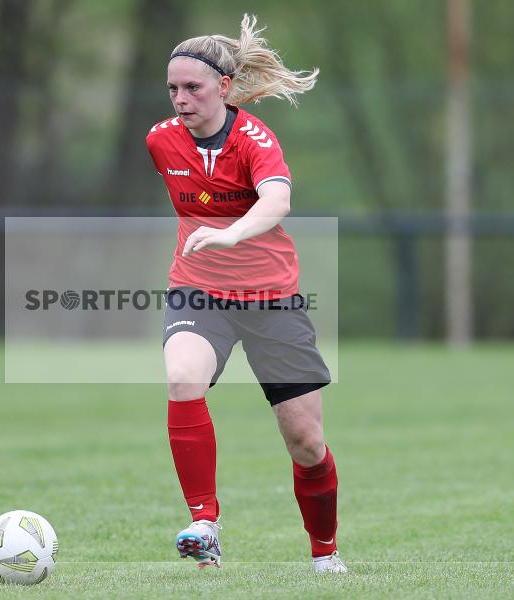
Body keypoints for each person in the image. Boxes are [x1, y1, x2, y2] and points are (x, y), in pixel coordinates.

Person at [145, 14, 346, 574]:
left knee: (306, 442)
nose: (180, 99)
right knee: (183, 376)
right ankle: (203, 523)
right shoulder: (160, 140)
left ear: (224, 88)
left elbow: (276, 201)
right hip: (198, 289)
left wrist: (232, 233)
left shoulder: (256, 138)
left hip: (271, 297)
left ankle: (325, 552)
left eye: (193, 88)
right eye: (173, 89)